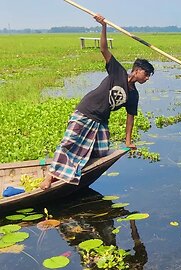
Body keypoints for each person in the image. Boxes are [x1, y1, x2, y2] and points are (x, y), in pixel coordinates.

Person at [40, 14, 154, 190]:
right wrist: (103, 26)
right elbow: (104, 50)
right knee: (69, 143)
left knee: (100, 151)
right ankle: (49, 176)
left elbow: (130, 118)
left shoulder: (133, 95)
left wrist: (128, 141)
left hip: (101, 121)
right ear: (137, 71)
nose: (147, 78)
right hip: (86, 111)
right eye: (146, 74)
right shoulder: (118, 72)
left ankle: (73, 168)